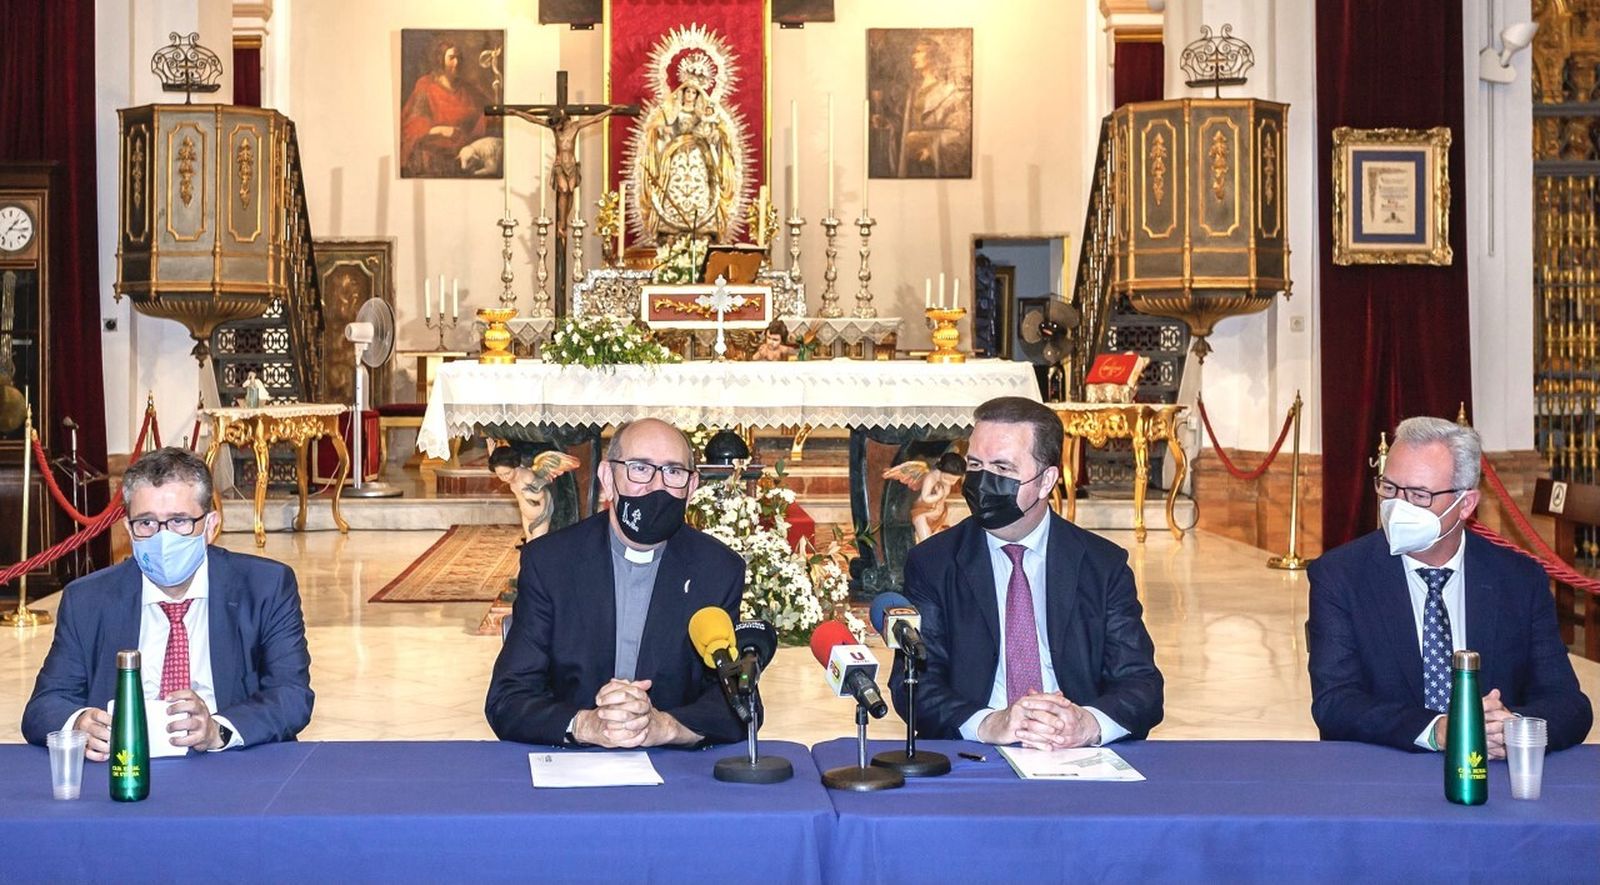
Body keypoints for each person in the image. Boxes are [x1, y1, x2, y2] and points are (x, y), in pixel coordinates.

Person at [889, 396, 1163, 749]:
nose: (983, 483)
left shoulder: (1102, 565)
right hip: (977, 753)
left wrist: (1087, 723)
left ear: (1047, 480)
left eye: (1003, 469)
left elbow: (1142, 685)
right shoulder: (934, 563)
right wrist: (989, 723)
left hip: (1076, 756)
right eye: (975, 465)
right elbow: (913, 685)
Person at [1308, 417, 1592, 756]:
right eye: (1389, 488)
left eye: (1419, 494)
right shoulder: (1340, 575)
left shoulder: (1519, 579)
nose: (1397, 507)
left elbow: (1569, 704)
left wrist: (1511, 728)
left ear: (1466, 505)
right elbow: (1335, 703)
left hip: (1491, 780)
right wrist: (1438, 730)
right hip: (1384, 776)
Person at [21, 447, 314, 759]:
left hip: (229, 765)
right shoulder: (88, 600)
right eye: (146, 523)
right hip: (123, 768)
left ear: (211, 526)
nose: (163, 538)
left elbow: (291, 696)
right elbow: (44, 705)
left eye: (179, 521)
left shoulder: (265, 587)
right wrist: (78, 723)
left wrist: (218, 730)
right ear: (128, 530)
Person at [486, 418, 747, 747]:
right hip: (570, 762)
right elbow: (507, 698)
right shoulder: (550, 563)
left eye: (673, 472)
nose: (656, 486)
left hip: (671, 769)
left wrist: (664, 726)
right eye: (640, 468)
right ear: (608, 478)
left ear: (691, 487)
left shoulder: (717, 570)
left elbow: (738, 703)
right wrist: (586, 724)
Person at [400, 37, 495, 178]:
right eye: (451, 58)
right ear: (440, 60)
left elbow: (487, 111)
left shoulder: (468, 88)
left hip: (466, 153)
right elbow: (412, 124)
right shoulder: (426, 86)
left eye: (458, 58)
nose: (456, 62)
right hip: (435, 157)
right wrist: (441, 130)